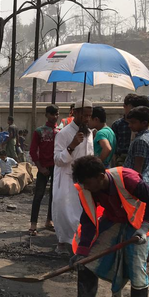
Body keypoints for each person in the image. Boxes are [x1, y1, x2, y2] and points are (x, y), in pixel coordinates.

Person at [69, 155, 149, 297]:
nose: (85, 187)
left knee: (137, 269)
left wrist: (144, 228)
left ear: (100, 177)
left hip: (137, 223)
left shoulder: (128, 179)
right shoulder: (88, 189)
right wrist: (82, 251)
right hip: (113, 220)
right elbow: (89, 219)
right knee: (85, 261)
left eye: (87, 183)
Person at [53, 99, 94, 254]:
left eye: (89, 116)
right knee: (65, 212)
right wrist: (72, 146)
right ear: (75, 113)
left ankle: (78, 245)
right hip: (66, 180)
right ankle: (62, 243)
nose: (87, 119)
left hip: (84, 181)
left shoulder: (89, 134)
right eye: (84, 115)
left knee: (81, 214)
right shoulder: (63, 134)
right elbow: (57, 160)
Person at [28, 104, 59, 237]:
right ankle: (33, 224)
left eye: (57, 114)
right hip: (43, 168)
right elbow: (32, 151)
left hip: (56, 167)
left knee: (54, 195)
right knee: (39, 195)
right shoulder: (39, 131)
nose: (55, 116)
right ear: (47, 115)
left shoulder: (60, 131)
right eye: (52, 114)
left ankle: (49, 220)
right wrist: (40, 167)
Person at [124, 106, 149, 186]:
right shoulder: (148, 137)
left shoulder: (141, 141)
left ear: (144, 123)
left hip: (137, 183)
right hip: (144, 181)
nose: (129, 125)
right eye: (129, 122)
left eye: (133, 122)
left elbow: (137, 169)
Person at [112, 94, 138, 166]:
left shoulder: (139, 125)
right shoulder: (117, 125)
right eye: (131, 108)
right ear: (124, 106)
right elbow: (114, 146)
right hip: (121, 159)